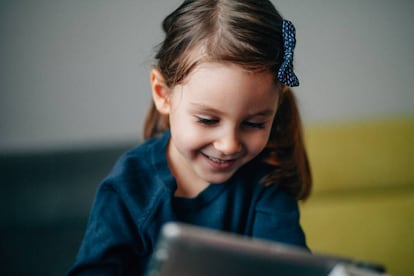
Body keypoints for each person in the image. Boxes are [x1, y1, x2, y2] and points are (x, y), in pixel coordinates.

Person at [66, 0, 312, 274]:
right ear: (163, 94)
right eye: (208, 120)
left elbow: (289, 268)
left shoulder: (267, 179)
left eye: (253, 123)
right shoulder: (129, 188)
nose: (228, 144)